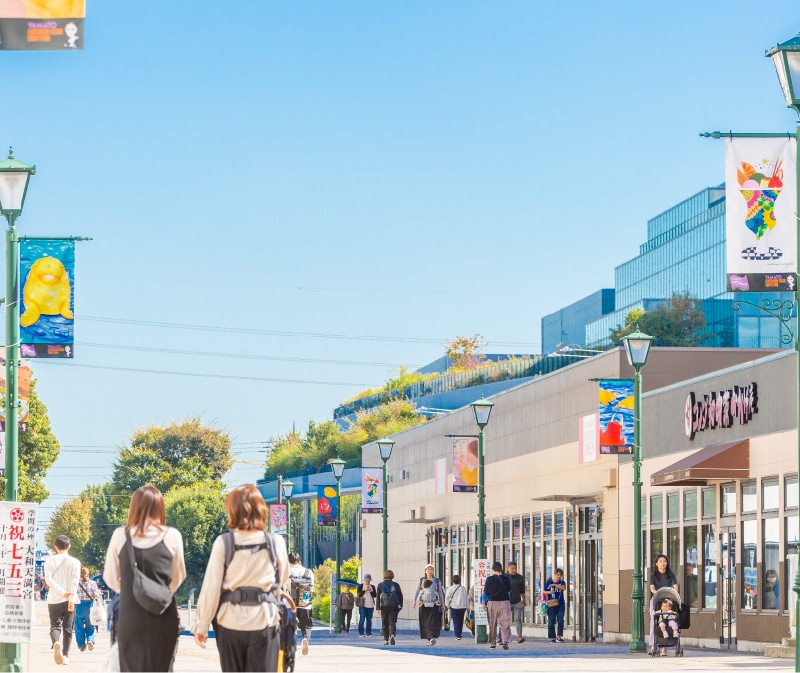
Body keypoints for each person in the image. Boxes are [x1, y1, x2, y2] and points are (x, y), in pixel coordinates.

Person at [191, 485, 288, 672]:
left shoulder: (224, 542)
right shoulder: (275, 542)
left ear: (233, 511)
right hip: (265, 619)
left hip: (230, 621)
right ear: (261, 509)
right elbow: (282, 579)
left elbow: (212, 587)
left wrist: (202, 624)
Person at [103, 485, 186, 672]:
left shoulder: (120, 535)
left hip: (131, 615)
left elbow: (109, 577)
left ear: (134, 507)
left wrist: (131, 592)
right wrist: (160, 594)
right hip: (164, 613)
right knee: (162, 667)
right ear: (160, 507)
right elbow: (179, 575)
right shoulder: (172, 535)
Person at [44, 535, 80, 666]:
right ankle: (65, 656)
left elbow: (49, 580)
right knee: (68, 629)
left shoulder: (49, 561)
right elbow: (75, 582)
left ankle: (56, 642)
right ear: (69, 546)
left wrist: (61, 592)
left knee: (55, 626)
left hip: (54, 599)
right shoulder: (75, 562)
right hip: (71, 599)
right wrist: (70, 597)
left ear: (55, 547)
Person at [648, 554, 678, 654]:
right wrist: (657, 594)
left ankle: (665, 648)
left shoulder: (671, 574)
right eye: (660, 561)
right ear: (656, 563)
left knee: (669, 620)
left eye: (664, 561)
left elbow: (675, 586)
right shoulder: (653, 575)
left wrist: (673, 594)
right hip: (657, 599)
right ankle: (653, 645)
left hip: (668, 600)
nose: (663, 563)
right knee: (654, 621)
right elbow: (651, 587)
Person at [288, 552, 314, 656]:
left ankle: (292, 646)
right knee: (306, 625)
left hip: (290, 604)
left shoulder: (285, 572)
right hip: (305, 603)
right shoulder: (308, 572)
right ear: (299, 561)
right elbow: (312, 588)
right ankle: (305, 639)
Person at [412, 563, 445, 645]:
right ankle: (429, 638)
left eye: (432, 569)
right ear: (425, 571)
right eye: (428, 569)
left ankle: (432, 637)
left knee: (433, 621)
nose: (430, 571)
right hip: (423, 604)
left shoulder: (437, 581)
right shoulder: (422, 580)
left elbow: (440, 592)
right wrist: (414, 600)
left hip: (434, 604)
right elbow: (417, 591)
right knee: (425, 621)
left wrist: (443, 604)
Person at [482, 561, 511, 650]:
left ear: (493, 569)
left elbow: (486, 591)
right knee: (505, 622)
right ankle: (505, 641)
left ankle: (493, 643)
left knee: (492, 623)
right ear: (501, 569)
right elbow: (509, 589)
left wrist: (484, 602)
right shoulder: (506, 578)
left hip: (493, 602)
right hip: (504, 602)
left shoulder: (489, 579)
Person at [75, 566, 102, 653]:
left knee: (79, 626)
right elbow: (96, 595)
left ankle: (81, 645)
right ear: (88, 573)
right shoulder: (92, 583)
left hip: (78, 605)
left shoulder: (75, 583)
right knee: (90, 625)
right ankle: (90, 640)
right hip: (89, 606)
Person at [377, 569, 403, 645]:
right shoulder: (396, 585)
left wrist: (378, 607)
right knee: (392, 622)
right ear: (392, 576)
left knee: (384, 622)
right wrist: (400, 605)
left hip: (384, 606)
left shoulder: (380, 585)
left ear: (384, 576)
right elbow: (400, 596)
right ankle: (392, 635)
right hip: (394, 606)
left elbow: (378, 597)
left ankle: (386, 640)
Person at [505, 561, 526, 643]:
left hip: (517, 601)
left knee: (518, 619)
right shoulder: (504, 577)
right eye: (512, 569)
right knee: (505, 620)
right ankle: (504, 637)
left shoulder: (520, 578)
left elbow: (522, 590)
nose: (514, 570)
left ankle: (519, 636)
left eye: (515, 569)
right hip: (507, 601)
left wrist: (523, 600)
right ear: (508, 568)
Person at [544, 568, 566, 643]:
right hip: (551, 604)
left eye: (560, 575)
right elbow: (544, 591)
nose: (559, 577)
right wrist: (550, 592)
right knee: (551, 621)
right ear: (554, 574)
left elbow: (564, 588)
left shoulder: (562, 582)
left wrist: (555, 585)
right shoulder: (549, 582)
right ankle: (552, 637)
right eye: (557, 575)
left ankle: (559, 636)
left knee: (560, 620)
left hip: (560, 603)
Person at [444, 574, 469, 640]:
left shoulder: (450, 588)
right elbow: (466, 597)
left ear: (452, 581)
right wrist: (467, 606)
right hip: (462, 607)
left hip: (454, 607)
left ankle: (457, 635)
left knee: (456, 621)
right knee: (460, 620)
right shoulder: (463, 588)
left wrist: (447, 605)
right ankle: (459, 634)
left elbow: (447, 598)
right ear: (460, 580)